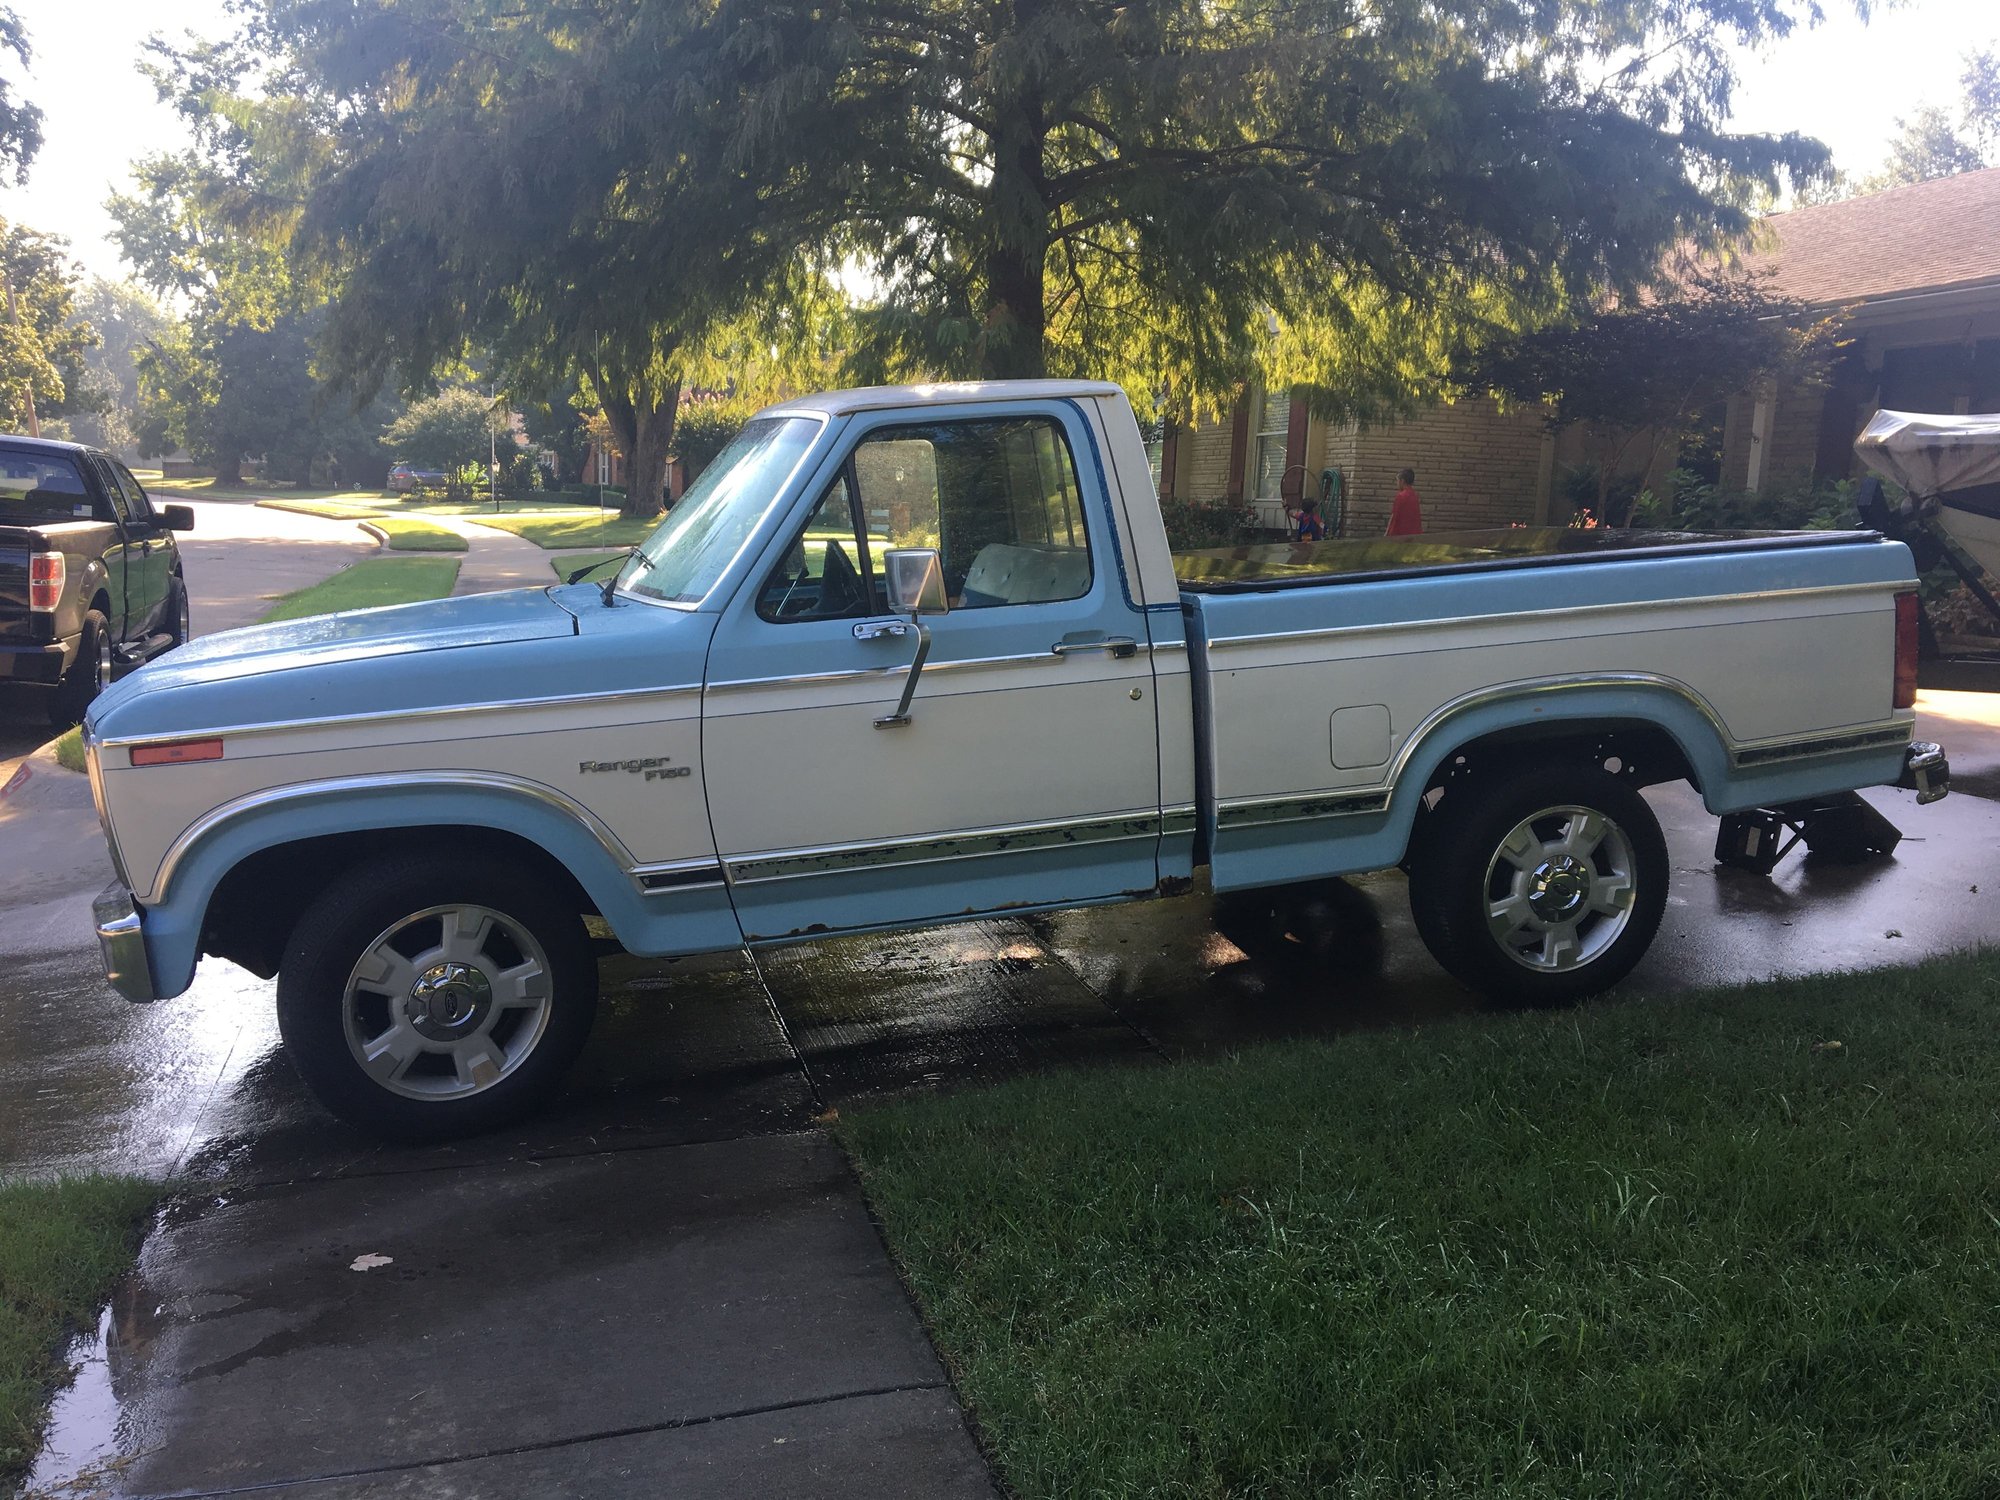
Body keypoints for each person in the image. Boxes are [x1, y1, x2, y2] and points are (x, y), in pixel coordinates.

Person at [1388, 468, 1422, 536]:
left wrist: (1388, 534)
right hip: (1414, 534)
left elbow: (1395, 517)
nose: (1397, 484)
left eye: (1397, 481)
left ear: (1402, 481)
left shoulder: (1401, 496)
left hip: (1401, 534)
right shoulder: (1414, 495)